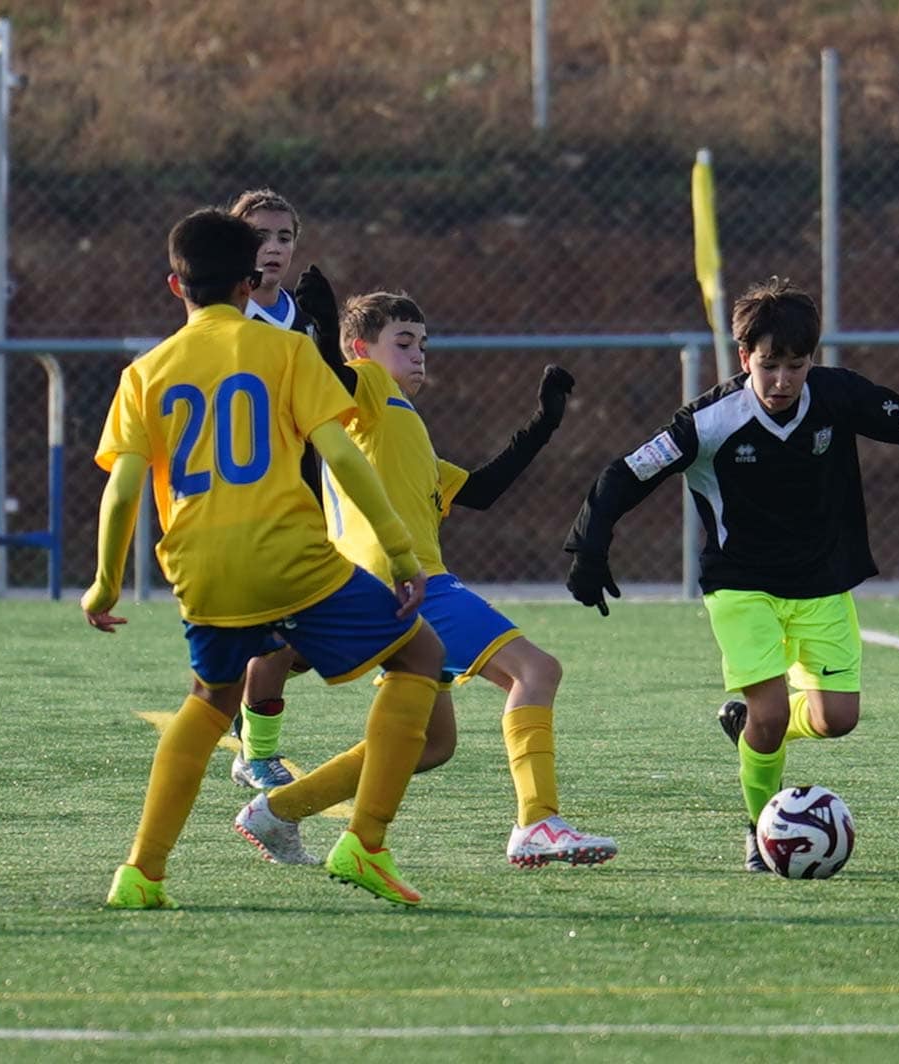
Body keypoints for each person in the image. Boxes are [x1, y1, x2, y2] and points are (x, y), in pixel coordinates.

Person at [563, 277, 899, 872]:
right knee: (773, 714)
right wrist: (590, 547)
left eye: (795, 366)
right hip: (740, 584)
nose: (781, 381)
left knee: (836, 720)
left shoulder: (836, 396)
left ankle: (750, 731)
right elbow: (623, 475)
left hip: (821, 581)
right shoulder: (709, 421)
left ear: (812, 361)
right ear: (745, 357)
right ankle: (760, 829)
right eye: (769, 365)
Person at [86, 207, 445, 909]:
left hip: (201, 569)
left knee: (210, 700)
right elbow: (341, 453)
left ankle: (141, 873)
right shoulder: (285, 353)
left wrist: (103, 584)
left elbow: (123, 488)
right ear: (250, 285)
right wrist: (401, 552)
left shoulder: (145, 373)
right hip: (293, 560)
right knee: (420, 657)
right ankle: (366, 844)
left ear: (174, 285)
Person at [245, 287, 618, 868]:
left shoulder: (400, 424)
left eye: (423, 344)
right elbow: (333, 377)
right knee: (537, 670)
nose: (419, 354)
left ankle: (278, 811)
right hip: (407, 585)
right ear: (362, 351)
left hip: (384, 594)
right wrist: (321, 325)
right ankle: (539, 822)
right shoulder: (365, 388)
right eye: (403, 342)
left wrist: (542, 425)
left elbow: (483, 490)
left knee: (427, 745)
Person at [221, 187, 336, 791]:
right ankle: (256, 755)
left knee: (312, 642)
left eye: (283, 237)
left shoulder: (305, 315)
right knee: (280, 630)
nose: (272, 248)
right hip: (249, 500)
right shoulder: (224, 316)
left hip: (312, 494)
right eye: (258, 237)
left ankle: (229, 690)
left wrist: (333, 337)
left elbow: (335, 401)